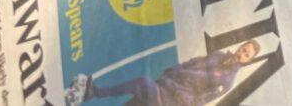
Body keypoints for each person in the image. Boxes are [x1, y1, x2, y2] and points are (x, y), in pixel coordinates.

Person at [77, 40, 260, 105]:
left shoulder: (227, 82)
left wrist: (172, 87)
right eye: (243, 48)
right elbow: (190, 63)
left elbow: (197, 102)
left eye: (247, 54)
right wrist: (171, 72)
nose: (242, 53)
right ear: (240, 45)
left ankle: (95, 92)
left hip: (170, 102)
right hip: (164, 85)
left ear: (248, 60)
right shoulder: (218, 54)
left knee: (142, 83)